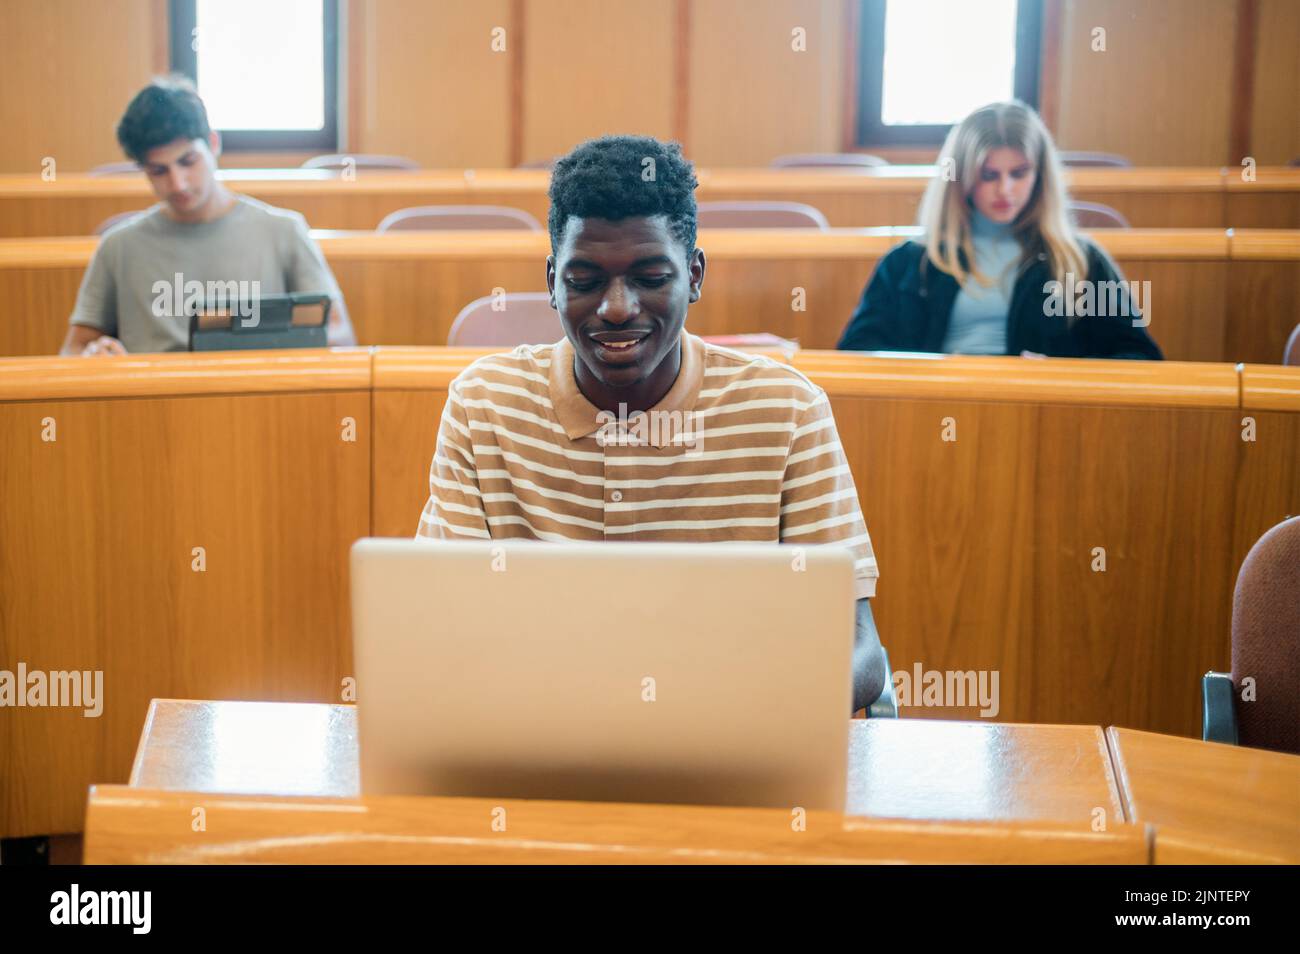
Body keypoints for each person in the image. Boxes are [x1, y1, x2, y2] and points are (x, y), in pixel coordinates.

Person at [416, 135, 886, 712]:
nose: (617, 307)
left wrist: (734, 707)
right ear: (551, 282)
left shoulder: (788, 410)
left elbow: (860, 651)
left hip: (733, 736)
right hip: (542, 732)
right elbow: (443, 629)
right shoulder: (481, 404)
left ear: (694, 275)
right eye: (585, 281)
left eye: (650, 277)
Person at [837, 101, 1162, 360]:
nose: (1005, 190)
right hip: (933, 412)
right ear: (961, 178)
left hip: (1042, 417)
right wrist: (933, 368)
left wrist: (1063, 374)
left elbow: (1138, 357)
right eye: (989, 175)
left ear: (1040, 176)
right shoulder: (908, 262)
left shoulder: (1083, 261)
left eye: (1019, 173)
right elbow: (856, 353)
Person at [60, 75, 355, 356]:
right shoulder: (118, 247)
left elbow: (342, 337)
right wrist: (94, 353)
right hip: (151, 403)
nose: (178, 183)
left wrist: (280, 344)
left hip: (253, 398)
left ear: (213, 144)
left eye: (188, 161)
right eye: (158, 171)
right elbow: (73, 350)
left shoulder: (284, 231)